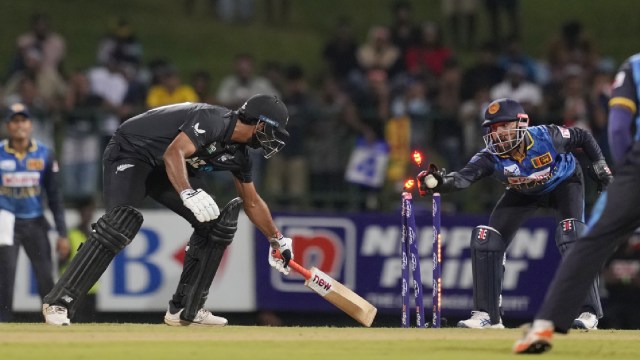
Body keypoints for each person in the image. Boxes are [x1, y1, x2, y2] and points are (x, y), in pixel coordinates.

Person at [41, 94, 295, 326]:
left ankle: (185, 308)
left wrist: (277, 239)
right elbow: (174, 152)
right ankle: (58, 302)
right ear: (261, 124)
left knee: (214, 224)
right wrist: (187, 191)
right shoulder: (213, 120)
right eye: (273, 131)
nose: (273, 139)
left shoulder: (240, 156)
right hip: (133, 151)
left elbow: (251, 201)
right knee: (118, 225)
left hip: (167, 167)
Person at [416, 98, 613, 329]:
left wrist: (600, 163)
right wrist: (440, 182)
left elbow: (582, 136)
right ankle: (488, 316)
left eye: (504, 127)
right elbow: (462, 178)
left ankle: (588, 313)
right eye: (494, 129)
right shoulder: (489, 157)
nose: (498, 135)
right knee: (487, 239)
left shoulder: (546, 136)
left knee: (572, 234)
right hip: (523, 191)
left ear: (521, 124)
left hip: (564, 182)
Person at [513, 53, 640, 354]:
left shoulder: (635, 65)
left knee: (589, 243)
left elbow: (619, 127)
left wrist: (625, 174)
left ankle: (543, 327)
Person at [0, 103, 69, 322]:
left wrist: (62, 233)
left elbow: (55, 196)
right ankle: (3, 323)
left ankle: (50, 320)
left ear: (30, 125)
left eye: (23, 121)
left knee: (45, 277)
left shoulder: (44, 153)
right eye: (15, 121)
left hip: (36, 222)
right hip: (6, 222)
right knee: (5, 277)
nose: (19, 125)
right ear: (8, 126)